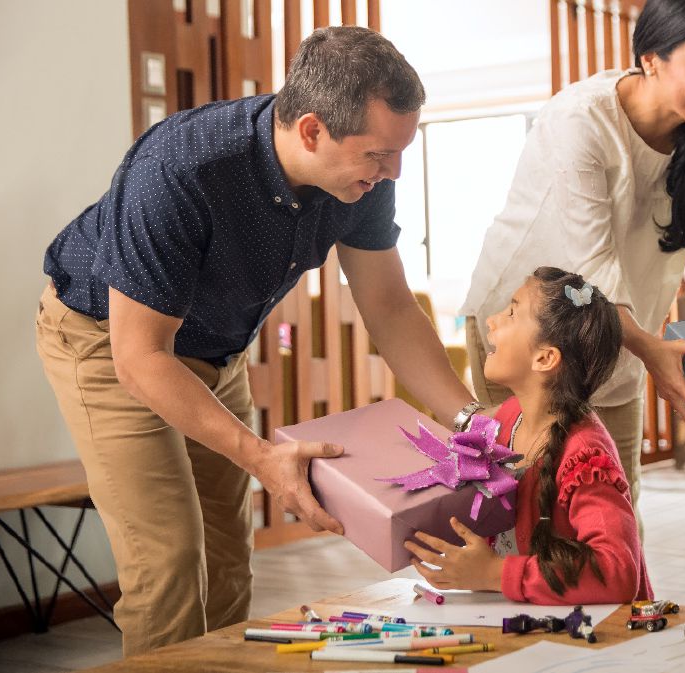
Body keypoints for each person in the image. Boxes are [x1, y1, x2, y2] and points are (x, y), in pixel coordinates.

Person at [35, 27, 485, 654]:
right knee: (169, 557)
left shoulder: (364, 182)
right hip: (110, 344)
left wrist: (470, 418)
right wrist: (260, 455)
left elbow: (387, 304)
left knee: (226, 550)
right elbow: (140, 357)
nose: (394, 172)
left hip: (215, 348)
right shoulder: (183, 168)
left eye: (401, 153)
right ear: (311, 130)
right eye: (379, 155)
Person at [460, 0, 685, 517]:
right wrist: (652, 349)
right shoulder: (580, 120)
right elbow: (593, 264)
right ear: (651, 58)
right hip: (524, 333)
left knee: (613, 512)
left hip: (621, 338)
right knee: (527, 512)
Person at [406, 267, 652, 605]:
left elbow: (618, 571)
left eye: (511, 312)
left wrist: (494, 573)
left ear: (545, 357)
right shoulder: (509, 418)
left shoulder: (586, 455)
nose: (491, 321)